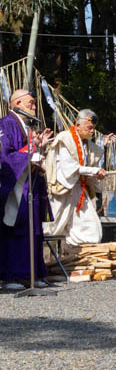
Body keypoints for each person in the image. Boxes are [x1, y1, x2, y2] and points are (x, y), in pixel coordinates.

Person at [0, 89, 53, 289]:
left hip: (31, 184)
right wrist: (32, 150)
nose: (33, 105)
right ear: (17, 104)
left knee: (34, 229)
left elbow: (30, 153)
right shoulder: (6, 124)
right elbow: (5, 155)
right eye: (29, 102)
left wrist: (40, 147)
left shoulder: (28, 127)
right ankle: (10, 276)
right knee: (16, 228)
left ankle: (32, 273)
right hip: (16, 185)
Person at [43, 109, 107, 246]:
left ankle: (82, 260)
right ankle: (43, 262)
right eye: (89, 127)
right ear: (78, 125)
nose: (92, 131)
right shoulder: (65, 138)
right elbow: (69, 168)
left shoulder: (89, 146)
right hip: (62, 190)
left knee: (91, 229)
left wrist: (97, 174)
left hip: (80, 191)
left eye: (93, 128)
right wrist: (94, 170)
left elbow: (89, 167)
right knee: (53, 228)